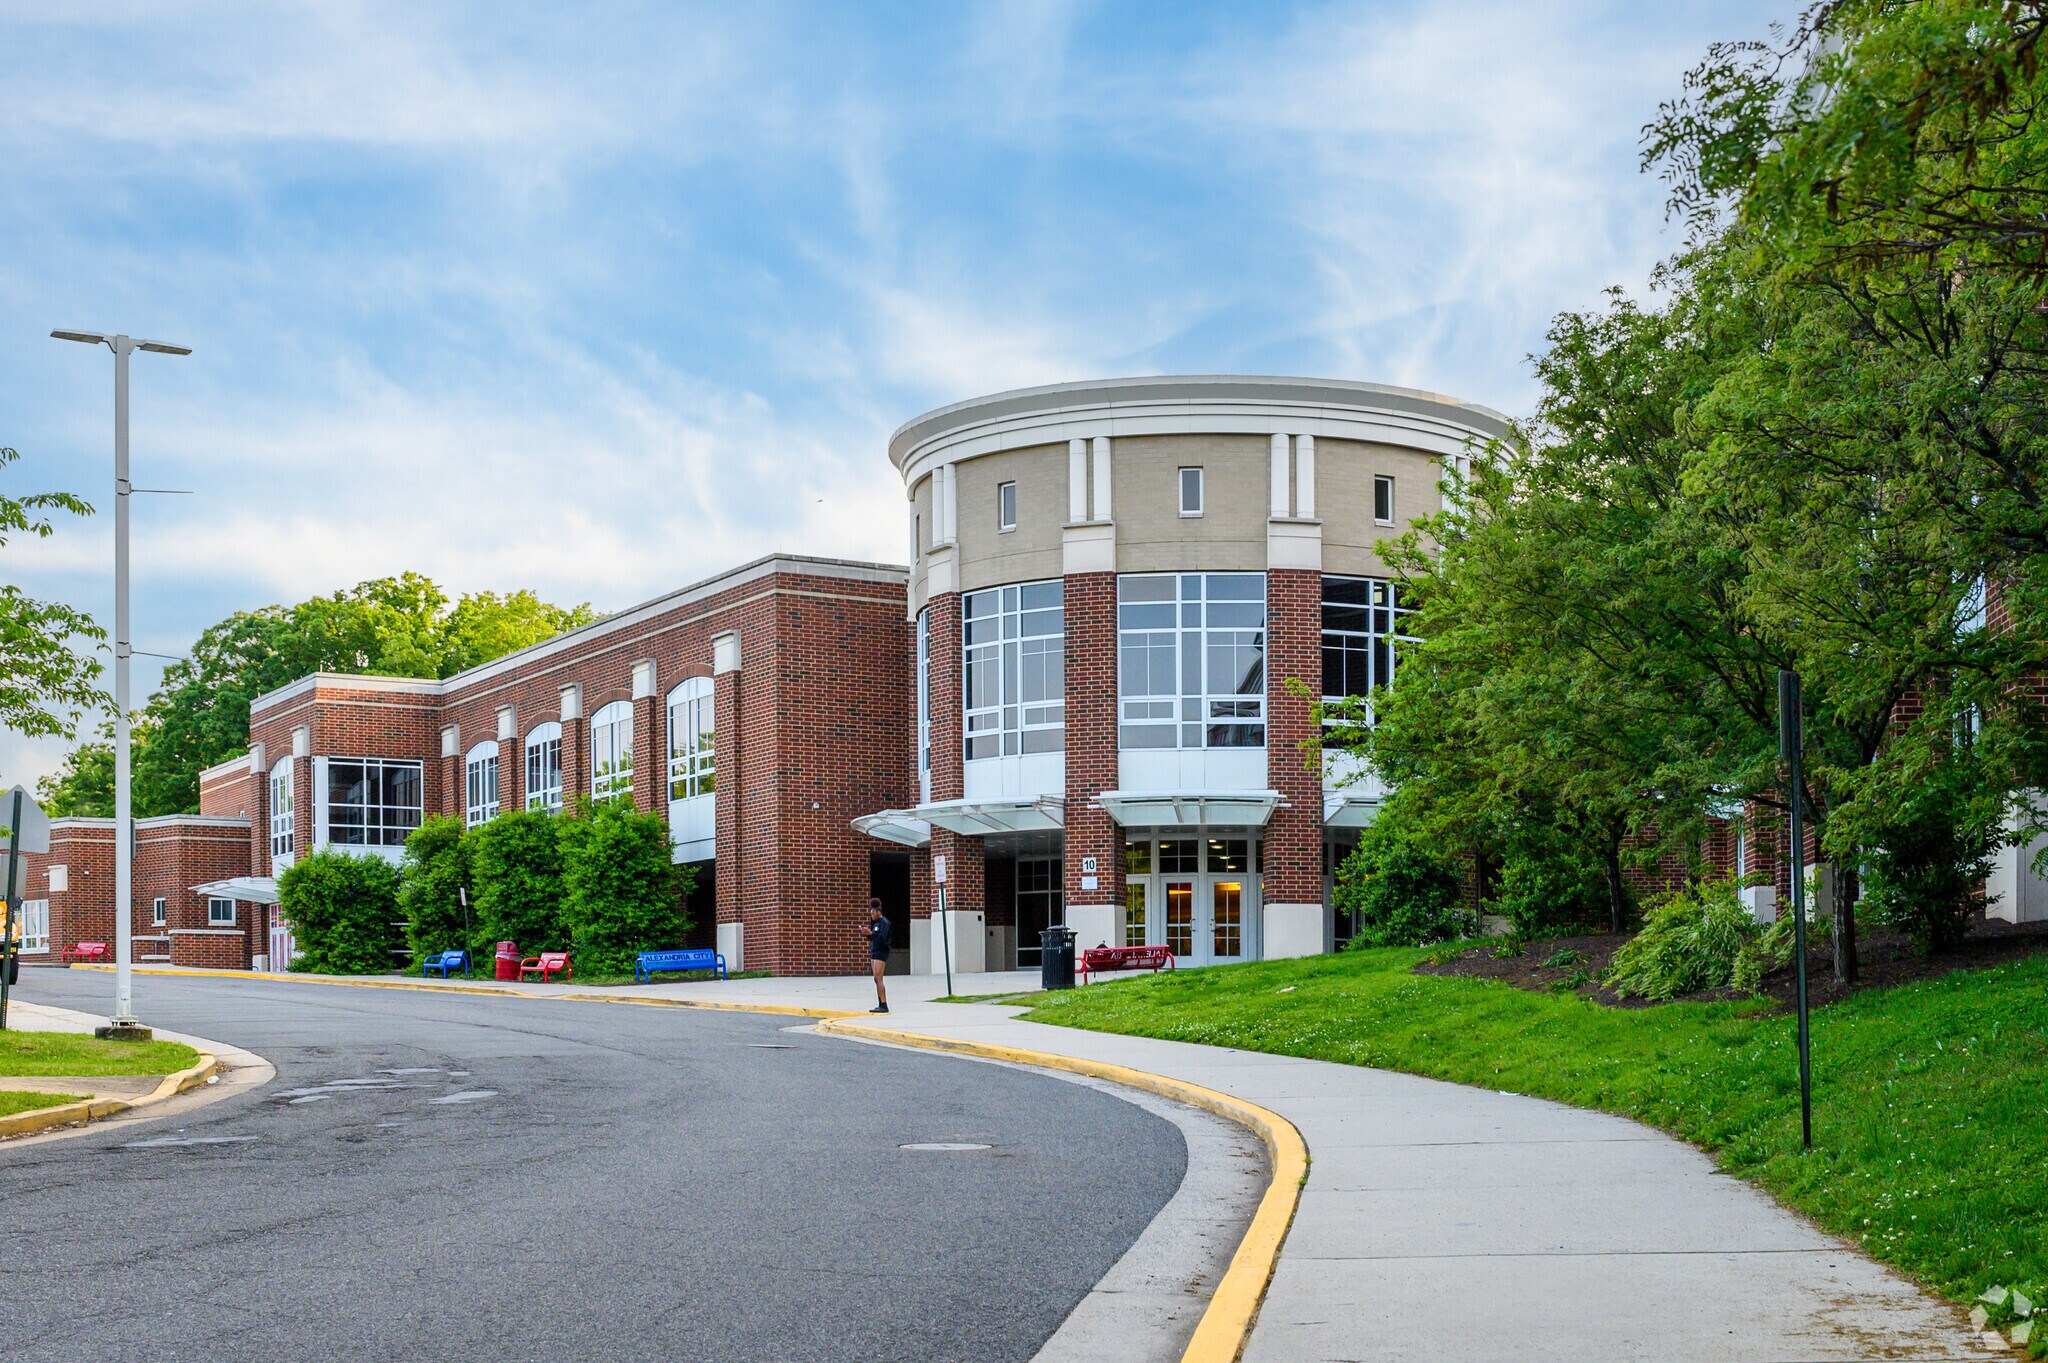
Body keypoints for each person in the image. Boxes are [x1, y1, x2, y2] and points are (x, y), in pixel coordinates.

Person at [864, 899, 892, 1013]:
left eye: (872, 913)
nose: (871, 916)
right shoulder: (876, 924)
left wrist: (871, 934)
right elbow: (875, 939)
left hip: (881, 952)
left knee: (879, 978)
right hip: (875, 951)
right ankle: (880, 1002)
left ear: (878, 912)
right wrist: (868, 935)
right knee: (876, 978)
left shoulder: (884, 923)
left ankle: (884, 1004)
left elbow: (883, 939)